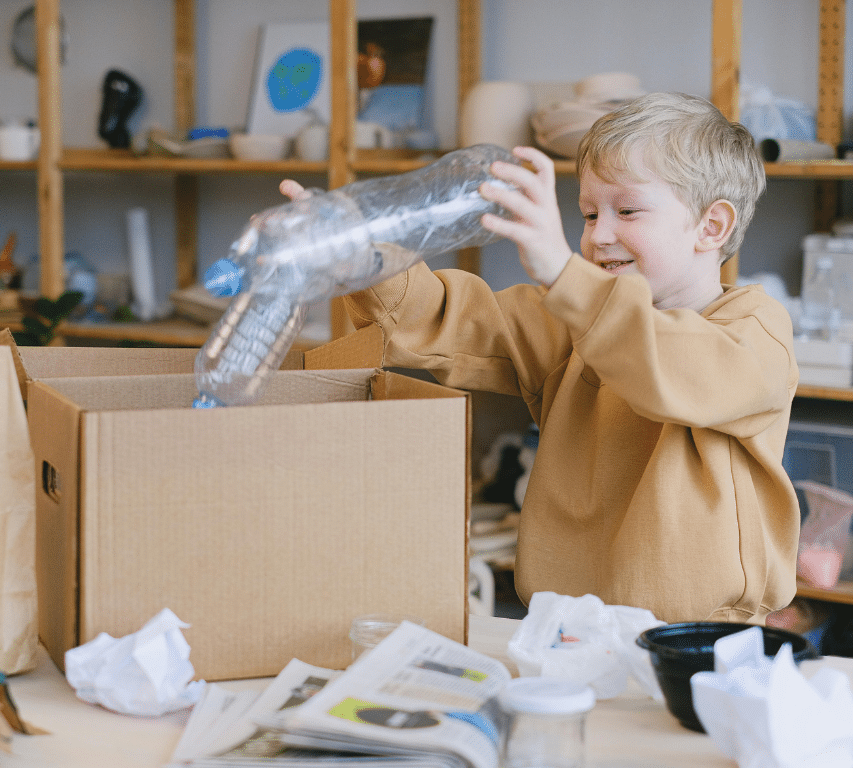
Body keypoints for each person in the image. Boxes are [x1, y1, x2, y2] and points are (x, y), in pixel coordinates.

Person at [281, 92, 799, 624]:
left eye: (627, 211)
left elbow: (670, 365)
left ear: (711, 227)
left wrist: (562, 273)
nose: (598, 236)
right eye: (589, 212)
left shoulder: (755, 330)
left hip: (701, 639)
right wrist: (368, 263)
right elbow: (445, 317)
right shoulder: (568, 322)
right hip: (565, 629)